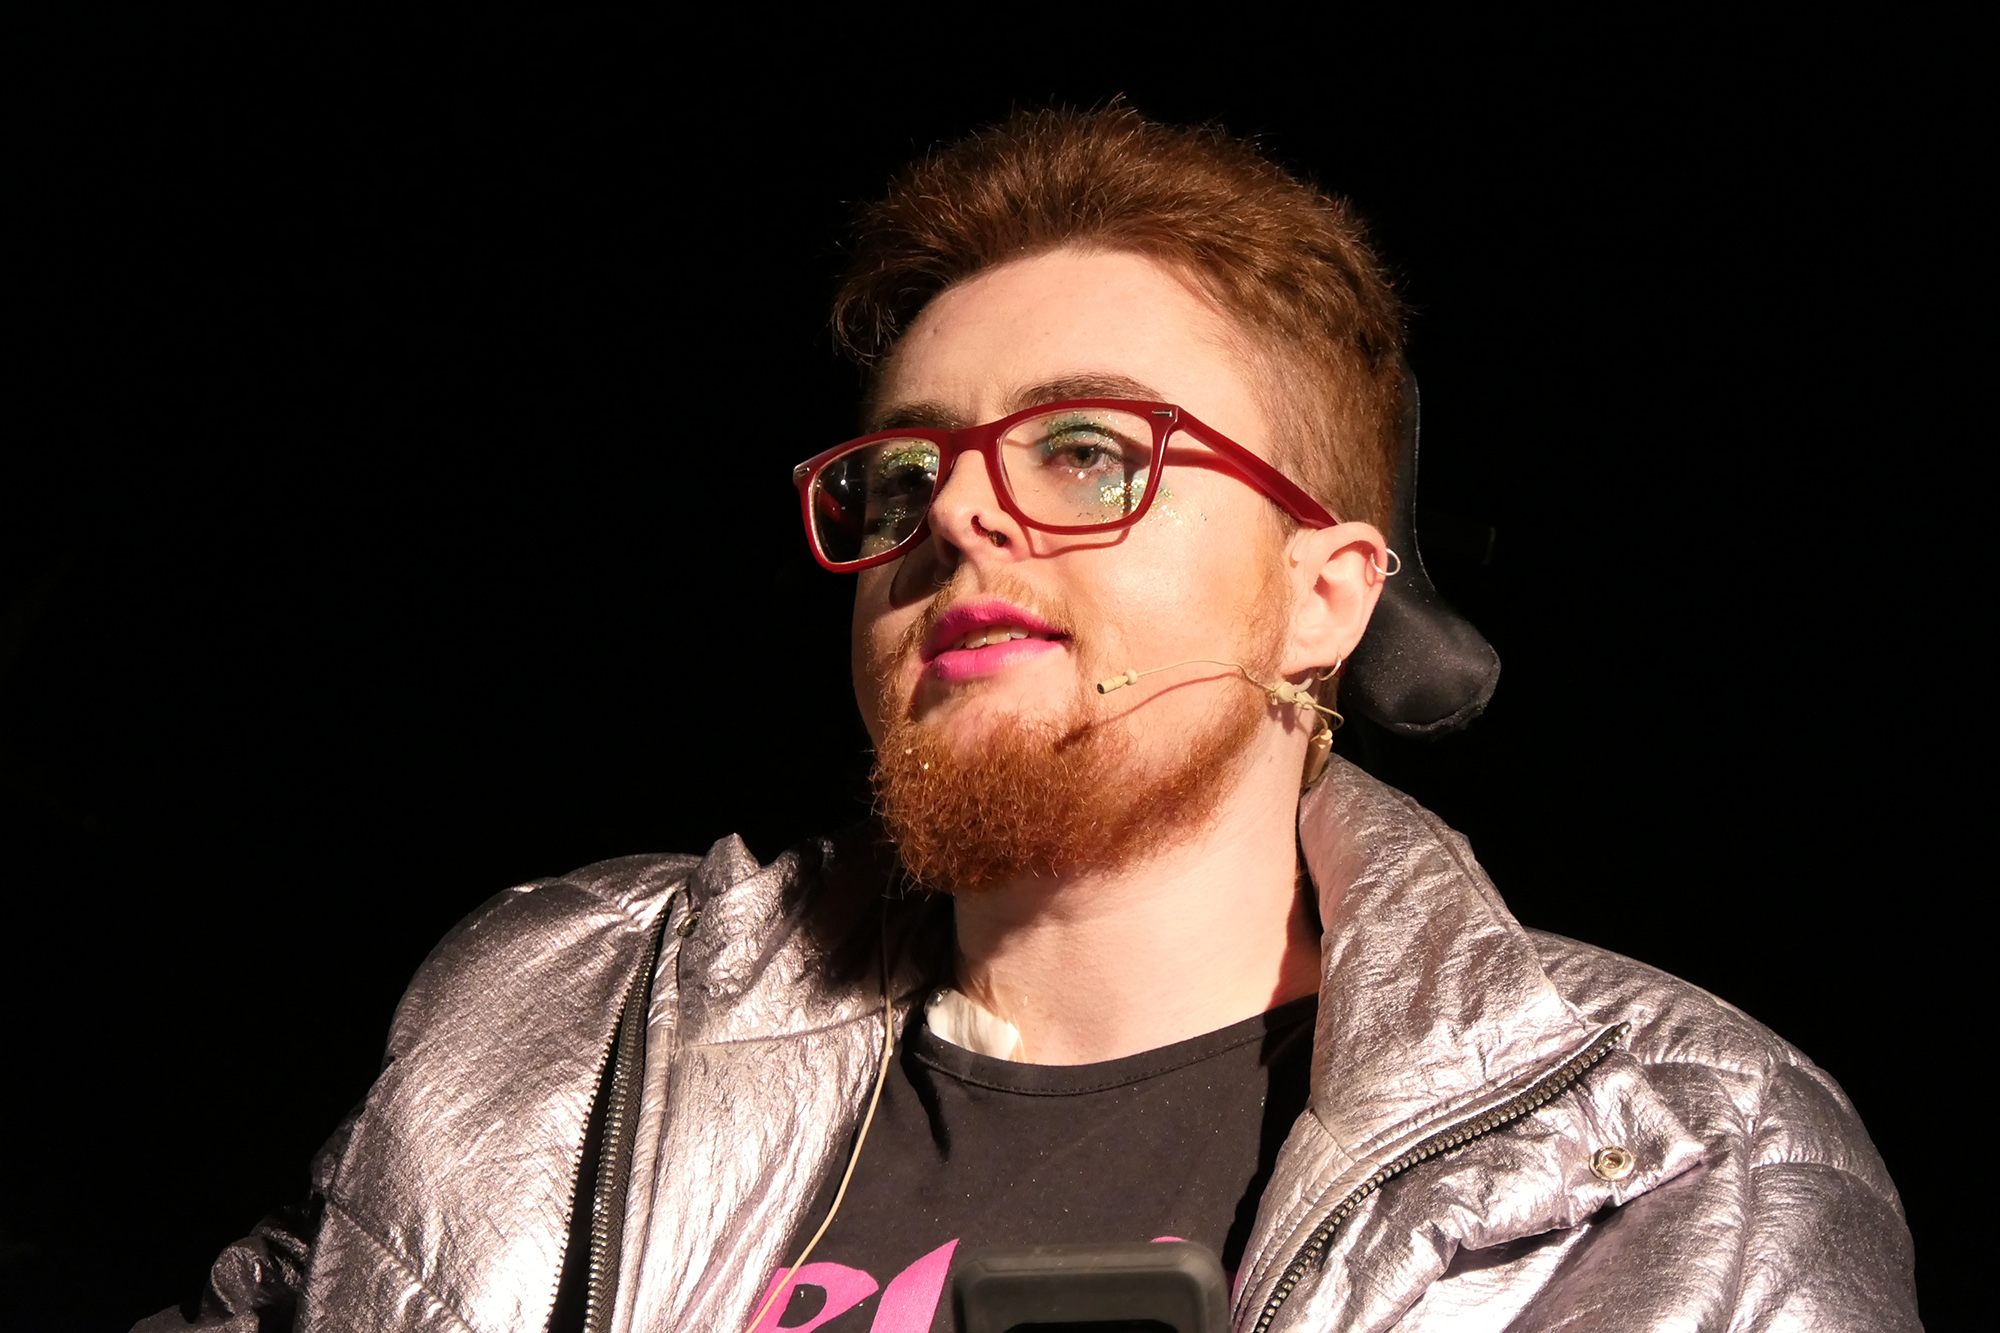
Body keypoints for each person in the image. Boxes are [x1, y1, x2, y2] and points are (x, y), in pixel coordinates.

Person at [142, 106, 1919, 1333]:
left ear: (1329, 592)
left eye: (1090, 451)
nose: (961, 516)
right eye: (909, 468)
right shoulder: (559, 1003)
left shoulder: (1678, 1157)